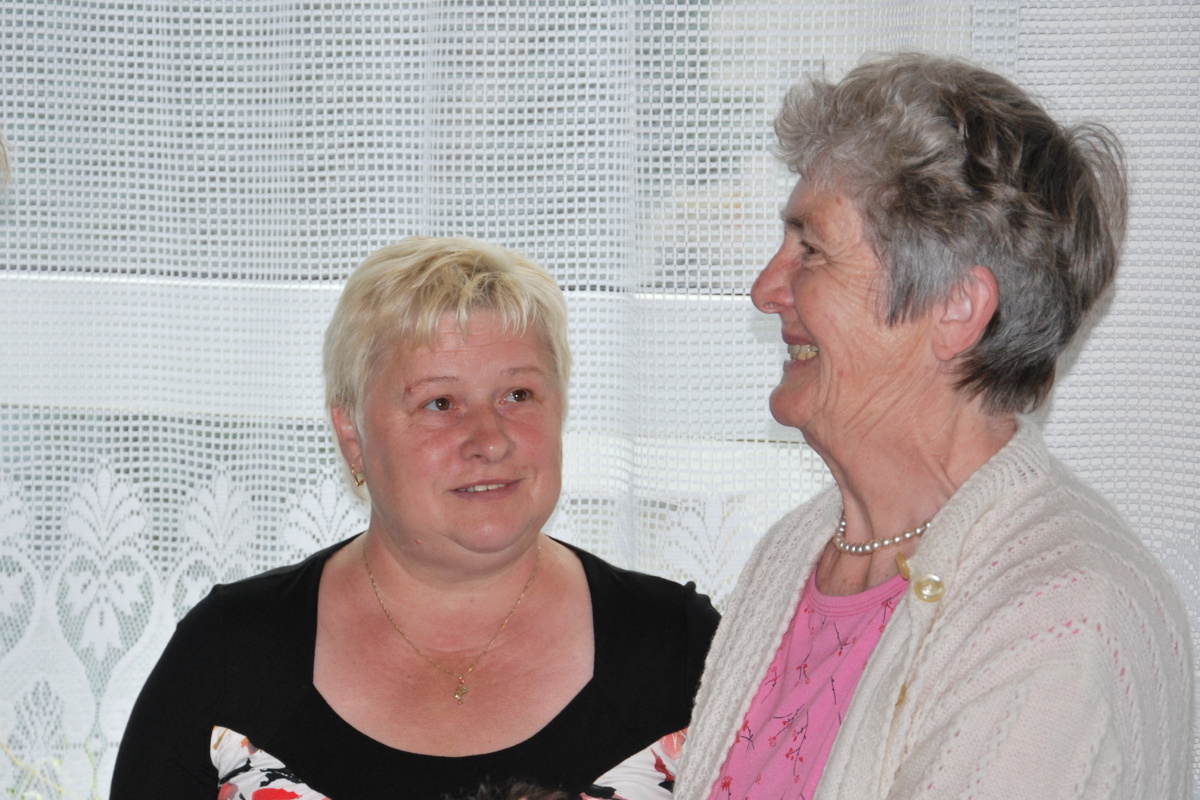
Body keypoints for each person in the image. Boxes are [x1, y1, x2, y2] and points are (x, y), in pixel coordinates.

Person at [673, 52, 1192, 800]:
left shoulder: (1057, 618)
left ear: (956, 308)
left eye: (811, 249)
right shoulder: (796, 552)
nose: (765, 289)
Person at [111, 236, 719, 799]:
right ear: (352, 434)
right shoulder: (228, 656)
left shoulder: (682, 649)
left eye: (518, 395)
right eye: (440, 402)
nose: (490, 440)